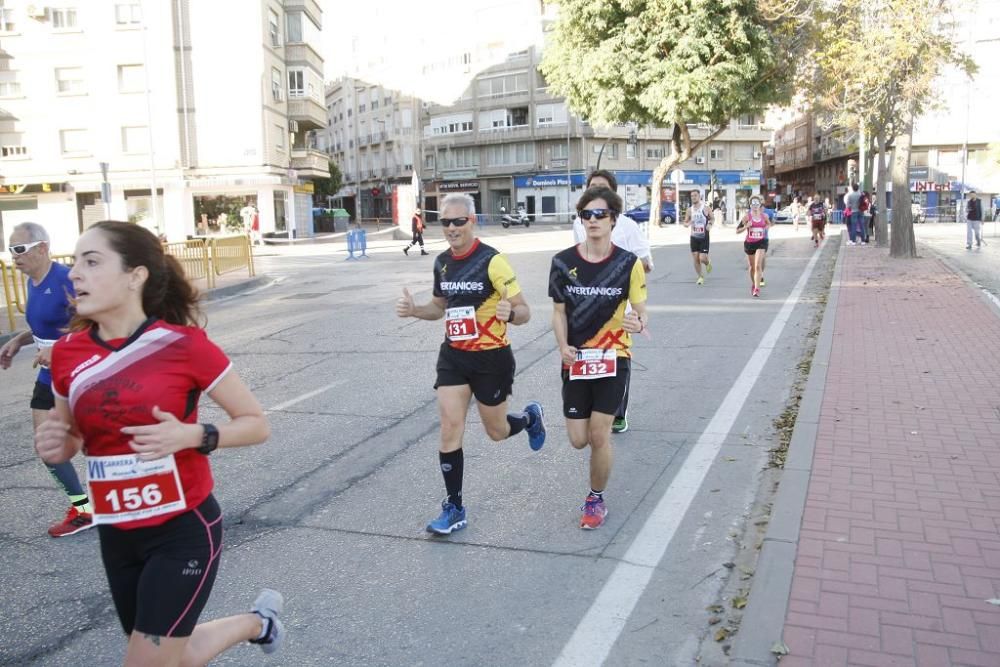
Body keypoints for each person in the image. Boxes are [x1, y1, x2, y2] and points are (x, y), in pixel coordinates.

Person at [35, 221, 285, 665]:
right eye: (75, 263)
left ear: (135, 275)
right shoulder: (67, 354)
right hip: (117, 530)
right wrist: (59, 444)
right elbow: (71, 434)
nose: (75, 274)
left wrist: (195, 434)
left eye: (92, 262)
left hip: (182, 530)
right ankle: (257, 623)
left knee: (147, 661)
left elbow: (255, 424)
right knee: (172, 654)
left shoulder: (184, 346)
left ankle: (257, 623)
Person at [395, 193, 546, 535]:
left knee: (496, 431)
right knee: (450, 427)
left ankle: (528, 418)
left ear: (472, 221)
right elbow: (438, 307)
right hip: (454, 357)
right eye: (445, 222)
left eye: (458, 221)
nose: (451, 228)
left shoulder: (494, 262)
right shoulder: (442, 263)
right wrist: (415, 310)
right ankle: (455, 507)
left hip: (491, 358)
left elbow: (524, 310)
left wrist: (512, 314)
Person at [550, 186, 648, 529]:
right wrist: (562, 346)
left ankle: (595, 499)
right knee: (578, 439)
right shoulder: (563, 262)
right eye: (586, 215)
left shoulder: (627, 264)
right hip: (576, 359)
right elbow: (558, 312)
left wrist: (636, 322)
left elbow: (640, 312)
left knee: (599, 435)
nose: (592, 220)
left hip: (613, 356)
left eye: (599, 215)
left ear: (613, 220)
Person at [0, 222, 94, 537]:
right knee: (48, 449)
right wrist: (19, 341)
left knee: (99, 443)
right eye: (10, 250)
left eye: (18, 249)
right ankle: (82, 510)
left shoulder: (68, 280)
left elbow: (97, 325)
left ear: (42, 247)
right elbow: (46, 327)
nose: (13, 257)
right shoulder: (32, 282)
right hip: (47, 377)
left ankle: (135, 499)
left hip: (80, 375)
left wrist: (61, 351)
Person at [572, 170, 653, 434]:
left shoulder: (628, 226)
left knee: (617, 357)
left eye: (602, 188)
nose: (596, 193)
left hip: (621, 308)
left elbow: (646, 263)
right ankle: (597, 406)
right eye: (592, 188)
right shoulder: (579, 223)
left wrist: (618, 267)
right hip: (587, 305)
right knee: (592, 356)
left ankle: (617, 410)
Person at [737, 195, 771, 297]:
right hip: (750, 243)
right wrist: (746, 226)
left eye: (757, 203)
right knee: (752, 267)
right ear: (750, 205)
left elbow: (769, 224)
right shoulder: (747, 217)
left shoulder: (764, 216)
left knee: (757, 265)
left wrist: (766, 228)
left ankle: (757, 288)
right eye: (753, 204)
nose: (755, 205)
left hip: (761, 242)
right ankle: (754, 283)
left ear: (760, 205)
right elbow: (737, 230)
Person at [682, 189, 712, 285]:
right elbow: (685, 222)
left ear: (699, 196)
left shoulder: (706, 208)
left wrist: (710, 225)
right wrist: (687, 224)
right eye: (692, 196)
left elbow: (712, 218)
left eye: (695, 195)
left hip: (704, 236)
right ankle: (700, 277)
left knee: (702, 258)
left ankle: (707, 263)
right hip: (694, 236)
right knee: (695, 258)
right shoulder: (689, 210)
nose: (693, 197)